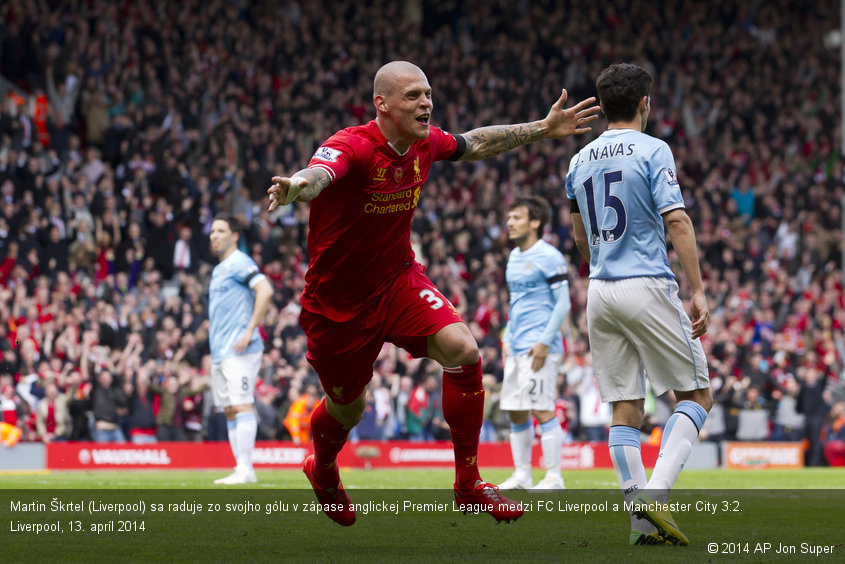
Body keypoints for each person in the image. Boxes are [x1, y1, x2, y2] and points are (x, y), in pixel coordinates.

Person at [268, 60, 599, 526]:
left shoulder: (425, 143)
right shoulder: (352, 146)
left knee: (464, 350)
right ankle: (321, 468)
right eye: (413, 96)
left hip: (398, 280)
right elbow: (320, 172)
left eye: (428, 94)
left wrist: (543, 129)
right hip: (337, 304)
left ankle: (468, 483)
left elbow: (476, 142)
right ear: (382, 105)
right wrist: (297, 188)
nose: (426, 103)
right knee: (348, 406)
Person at [565, 63, 712, 546]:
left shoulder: (579, 159)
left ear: (603, 106)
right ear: (645, 103)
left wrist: (599, 262)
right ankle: (655, 496)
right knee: (696, 396)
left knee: (625, 411)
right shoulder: (654, 149)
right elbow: (679, 222)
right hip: (646, 282)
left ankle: (639, 526)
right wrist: (698, 290)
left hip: (600, 291)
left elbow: (578, 235)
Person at [497, 195, 570, 491]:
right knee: (516, 410)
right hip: (515, 345)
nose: (509, 223)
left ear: (535, 222)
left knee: (541, 409)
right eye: (509, 217)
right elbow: (516, 302)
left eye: (517, 218)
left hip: (540, 347)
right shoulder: (514, 257)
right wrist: (506, 335)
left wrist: (544, 342)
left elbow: (563, 303)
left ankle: (554, 476)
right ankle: (522, 474)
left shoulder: (550, 255)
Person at [208, 214, 273, 485]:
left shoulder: (240, 262)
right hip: (221, 351)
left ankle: (246, 469)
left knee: (242, 403)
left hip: (240, 348)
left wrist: (250, 329)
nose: (214, 235)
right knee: (231, 409)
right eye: (212, 231)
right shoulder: (218, 269)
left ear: (234, 236)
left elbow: (265, 290)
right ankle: (241, 468)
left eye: (221, 230)